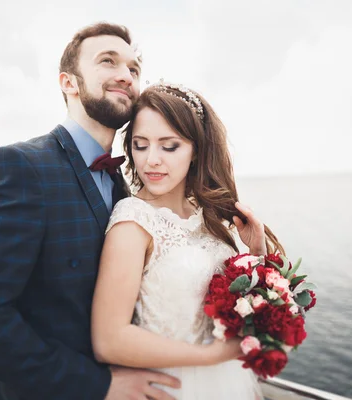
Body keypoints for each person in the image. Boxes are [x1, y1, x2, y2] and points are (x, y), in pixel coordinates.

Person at [0, 23, 180, 400]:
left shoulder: (127, 190)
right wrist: (98, 385)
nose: (126, 75)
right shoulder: (18, 167)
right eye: (108, 61)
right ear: (68, 83)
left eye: (134, 69)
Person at [91, 81, 285, 399]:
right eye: (140, 145)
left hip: (224, 384)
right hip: (170, 386)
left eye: (169, 146)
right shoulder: (133, 219)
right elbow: (108, 340)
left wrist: (255, 252)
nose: (151, 159)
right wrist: (213, 356)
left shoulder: (207, 215)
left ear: (196, 150)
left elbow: (235, 303)